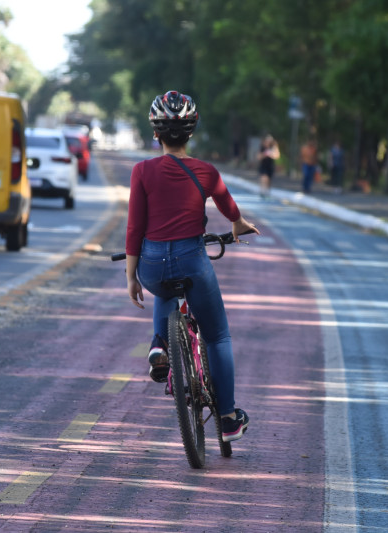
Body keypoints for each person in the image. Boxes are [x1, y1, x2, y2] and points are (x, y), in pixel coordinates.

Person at [125, 90, 259, 442]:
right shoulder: (207, 171)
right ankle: (228, 418)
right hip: (192, 259)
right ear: (192, 131)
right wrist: (238, 226)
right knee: (217, 335)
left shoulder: (142, 171)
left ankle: (159, 345)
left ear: (156, 133)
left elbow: (135, 227)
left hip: (152, 263)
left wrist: (131, 275)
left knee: (163, 289)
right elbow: (232, 211)